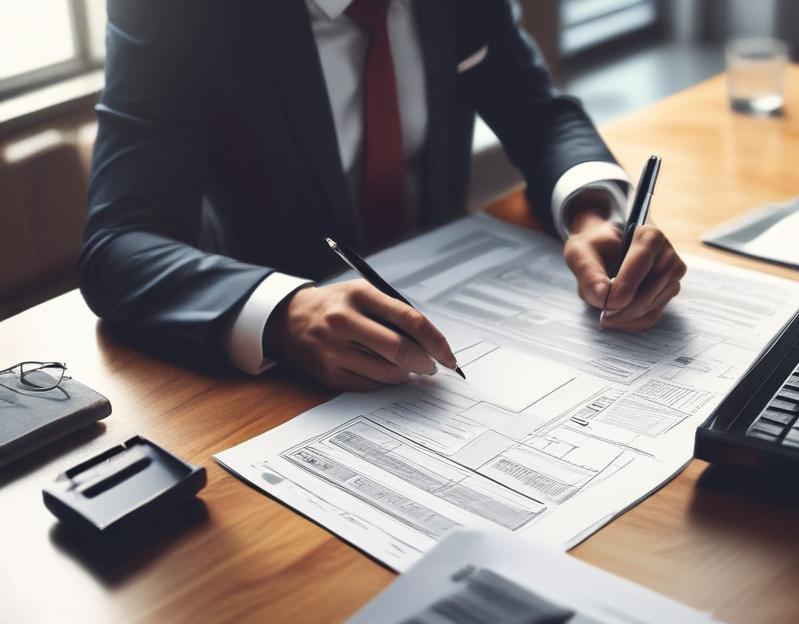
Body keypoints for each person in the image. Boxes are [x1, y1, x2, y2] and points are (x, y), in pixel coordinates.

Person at [79, 0, 686, 391]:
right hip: (276, 384)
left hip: (453, 317)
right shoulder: (171, 12)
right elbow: (117, 244)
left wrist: (592, 214)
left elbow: (538, 112)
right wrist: (286, 312)